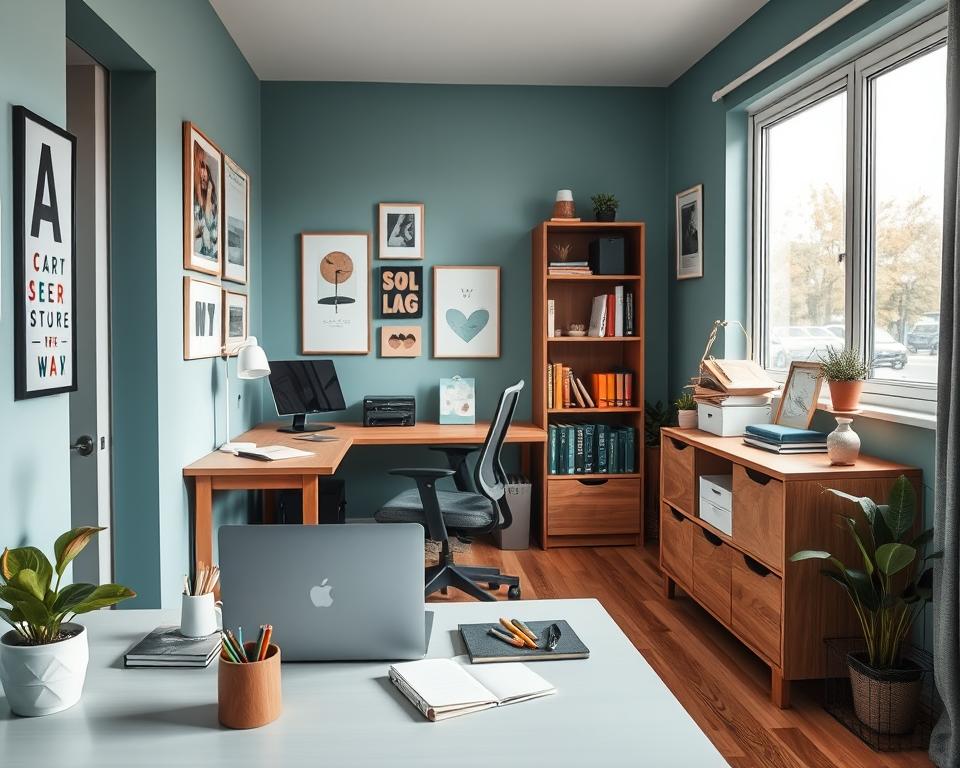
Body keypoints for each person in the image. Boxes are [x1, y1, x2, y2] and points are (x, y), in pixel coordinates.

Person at [193, 143, 219, 259]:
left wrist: (208, 192)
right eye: (201, 178)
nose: (203, 178)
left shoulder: (212, 201)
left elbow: (209, 221)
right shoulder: (196, 201)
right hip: (199, 248)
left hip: (209, 249)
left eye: (205, 177)